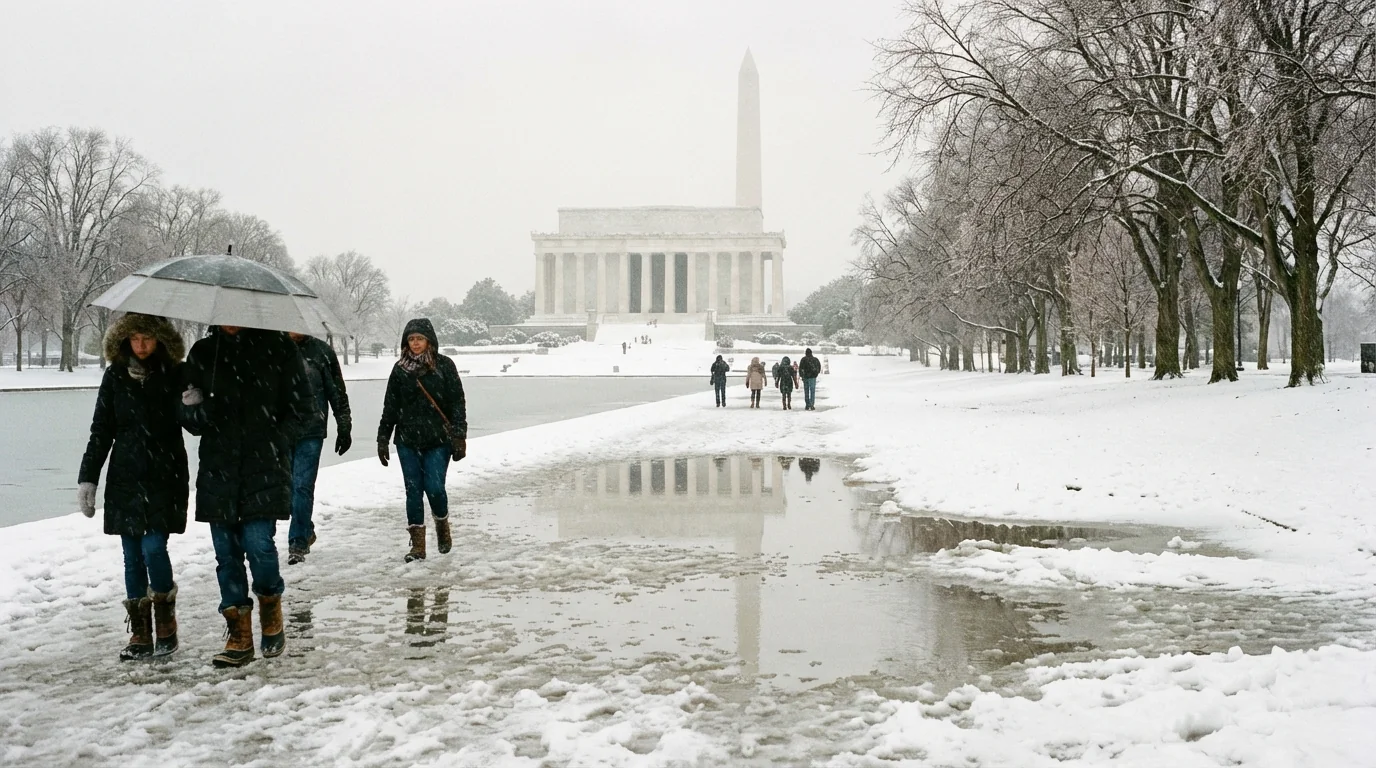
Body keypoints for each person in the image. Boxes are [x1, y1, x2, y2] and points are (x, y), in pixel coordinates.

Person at [180, 325, 311, 668]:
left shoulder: (280, 348)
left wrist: (276, 438)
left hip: (264, 465)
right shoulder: (203, 353)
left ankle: (271, 610)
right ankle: (238, 634)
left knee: (259, 546)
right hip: (218, 468)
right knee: (226, 555)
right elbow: (186, 416)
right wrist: (198, 411)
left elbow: (303, 408)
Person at [78, 313, 189, 661]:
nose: (141, 346)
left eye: (148, 339)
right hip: (125, 477)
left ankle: (166, 623)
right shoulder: (114, 377)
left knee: (154, 547)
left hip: (164, 473)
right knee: (131, 556)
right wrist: (88, 478)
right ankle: (141, 632)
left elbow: (195, 425)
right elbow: (101, 430)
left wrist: (195, 405)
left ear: (160, 341)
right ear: (125, 341)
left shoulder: (173, 375)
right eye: (135, 339)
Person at [378, 318, 467, 563]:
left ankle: (442, 524)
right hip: (407, 439)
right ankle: (417, 546)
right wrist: (383, 438)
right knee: (413, 491)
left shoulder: (445, 366)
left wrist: (459, 435)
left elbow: (458, 402)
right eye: (411, 339)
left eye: (420, 338)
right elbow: (390, 406)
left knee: (435, 488)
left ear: (429, 340)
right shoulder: (399, 369)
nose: (415, 343)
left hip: (438, 439)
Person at [284, 332, 352, 565]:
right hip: (278, 430)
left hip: (311, 429)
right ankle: (306, 528)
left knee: (302, 486)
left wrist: (344, 425)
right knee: (285, 488)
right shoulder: (272, 349)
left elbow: (337, 392)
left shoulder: (322, 352)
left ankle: (298, 542)